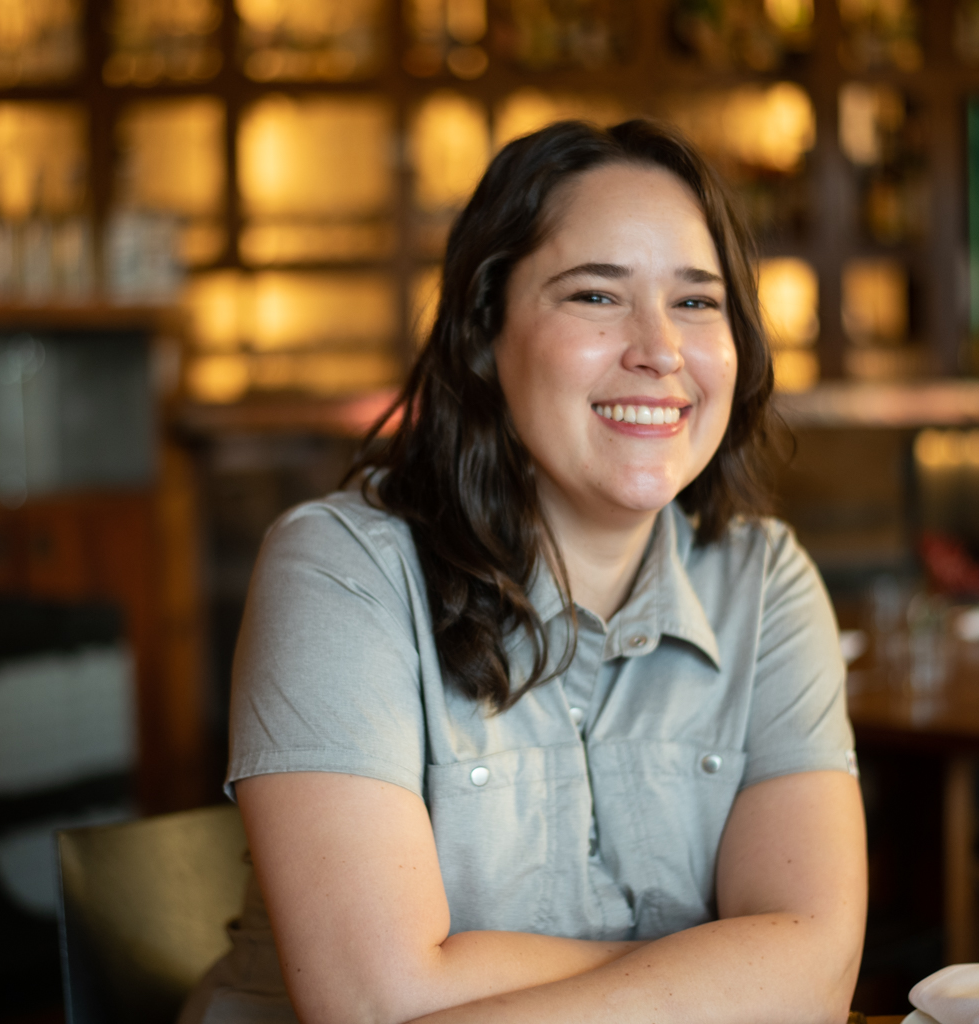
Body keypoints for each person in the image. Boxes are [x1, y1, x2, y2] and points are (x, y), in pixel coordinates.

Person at [182, 119, 866, 1024]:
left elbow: (818, 975)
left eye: (697, 303)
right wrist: (727, 966)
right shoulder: (343, 570)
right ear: (482, 332)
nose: (659, 349)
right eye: (595, 296)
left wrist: (458, 978)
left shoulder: (766, 584)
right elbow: (369, 1002)